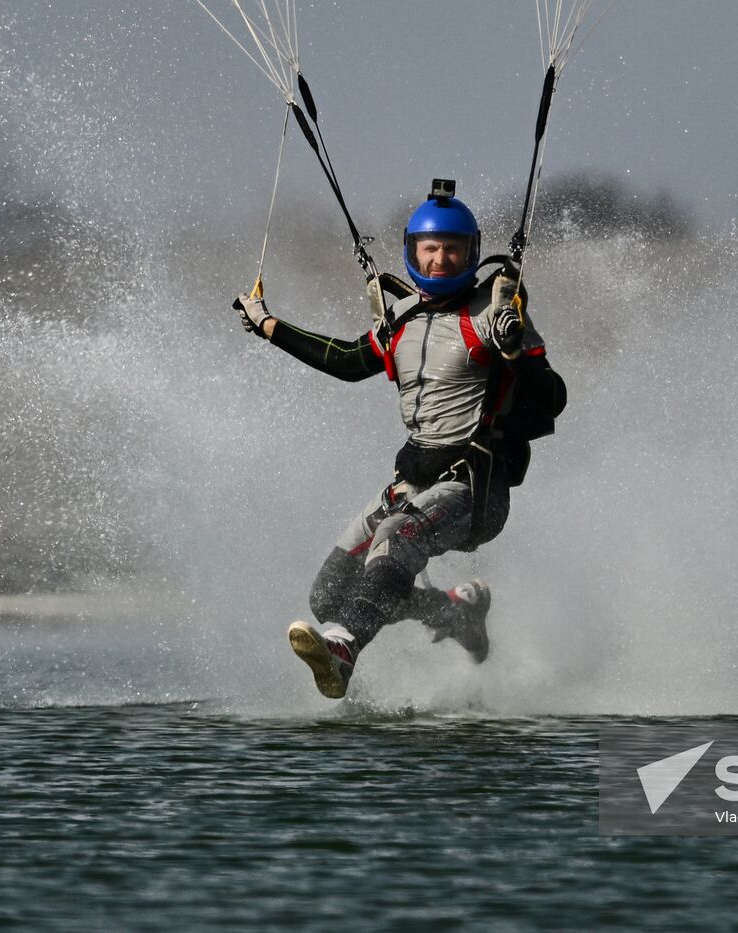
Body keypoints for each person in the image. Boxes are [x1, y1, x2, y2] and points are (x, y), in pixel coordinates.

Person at [235, 180, 567, 699]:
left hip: (474, 488)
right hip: (411, 484)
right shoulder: (403, 318)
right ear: (413, 251)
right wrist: (267, 324)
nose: (439, 260)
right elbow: (346, 362)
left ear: (471, 252)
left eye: (452, 249)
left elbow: (554, 400)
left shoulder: (496, 315)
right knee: (329, 595)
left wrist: (515, 352)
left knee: (397, 541)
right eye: (429, 249)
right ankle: (456, 614)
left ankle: (342, 651)